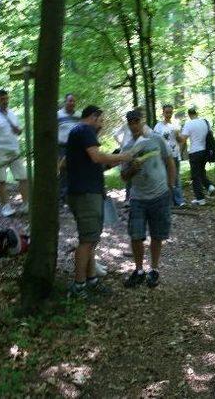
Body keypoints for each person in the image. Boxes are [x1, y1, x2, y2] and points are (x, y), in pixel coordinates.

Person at [65, 105, 132, 299]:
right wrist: (123, 156)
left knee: (91, 240)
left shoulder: (78, 133)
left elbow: (87, 163)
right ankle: (78, 286)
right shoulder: (84, 130)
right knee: (87, 241)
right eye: (101, 120)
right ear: (93, 117)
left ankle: (91, 280)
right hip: (86, 195)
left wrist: (114, 159)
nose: (101, 125)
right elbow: (96, 157)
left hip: (84, 192)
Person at [120, 110, 176, 288]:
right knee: (136, 235)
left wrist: (170, 186)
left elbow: (169, 161)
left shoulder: (157, 139)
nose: (134, 125)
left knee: (157, 234)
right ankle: (138, 270)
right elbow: (124, 176)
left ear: (142, 121)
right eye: (130, 122)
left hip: (160, 194)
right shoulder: (128, 146)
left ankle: (154, 269)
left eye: (136, 121)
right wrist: (132, 169)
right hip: (138, 197)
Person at [0, 89, 29, 217]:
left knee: (23, 177)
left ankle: (26, 205)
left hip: (14, 150)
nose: (5, 101)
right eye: (2, 99)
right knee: (2, 180)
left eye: (6, 98)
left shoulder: (12, 114)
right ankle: (6, 207)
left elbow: (18, 131)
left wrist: (18, 129)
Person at [179, 107, 215, 205]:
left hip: (195, 152)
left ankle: (200, 199)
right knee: (201, 172)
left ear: (189, 114)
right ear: (196, 113)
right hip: (205, 152)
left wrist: (180, 152)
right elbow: (210, 134)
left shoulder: (188, 124)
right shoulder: (205, 122)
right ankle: (210, 186)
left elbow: (183, 139)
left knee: (195, 176)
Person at [153, 104, 185, 207]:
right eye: (167, 112)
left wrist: (178, 135)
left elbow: (181, 140)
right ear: (163, 113)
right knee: (164, 178)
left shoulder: (175, 125)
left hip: (174, 154)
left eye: (170, 112)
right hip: (162, 156)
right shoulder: (158, 126)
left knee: (175, 178)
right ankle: (168, 201)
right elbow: (155, 141)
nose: (168, 114)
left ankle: (179, 201)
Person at [58, 93, 80, 202]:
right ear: (65, 102)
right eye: (70, 101)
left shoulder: (79, 115)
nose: (72, 103)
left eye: (73, 101)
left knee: (75, 170)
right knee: (63, 170)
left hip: (76, 147)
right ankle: (63, 196)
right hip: (62, 146)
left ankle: (73, 194)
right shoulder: (58, 115)